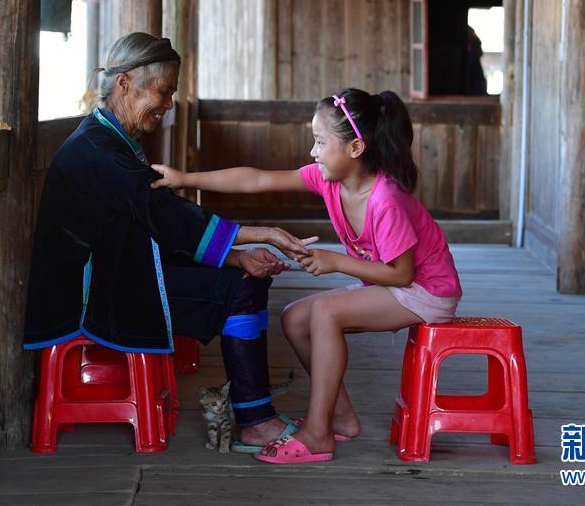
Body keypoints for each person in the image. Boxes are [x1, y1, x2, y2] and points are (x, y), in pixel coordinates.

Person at [23, 32, 317, 450]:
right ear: (124, 83)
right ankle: (255, 420)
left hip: (121, 268)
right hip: (92, 294)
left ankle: (256, 412)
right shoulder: (98, 149)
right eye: (162, 92)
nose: (167, 105)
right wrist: (257, 235)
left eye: (171, 94)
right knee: (241, 289)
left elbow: (156, 222)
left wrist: (234, 255)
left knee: (242, 276)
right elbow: (163, 215)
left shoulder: (108, 136)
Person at [151, 87, 463, 463]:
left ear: (355, 148)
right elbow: (258, 180)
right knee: (295, 317)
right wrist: (183, 178)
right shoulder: (328, 180)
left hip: (426, 291)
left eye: (319, 142)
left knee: (326, 312)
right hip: (392, 284)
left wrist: (336, 262)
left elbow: (400, 274)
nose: (312, 152)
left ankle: (317, 434)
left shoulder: (386, 200)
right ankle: (342, 418)